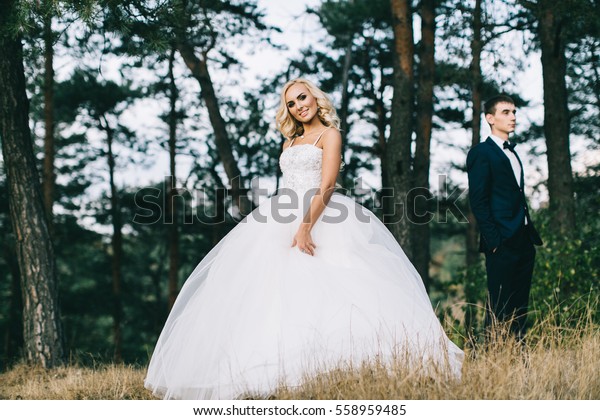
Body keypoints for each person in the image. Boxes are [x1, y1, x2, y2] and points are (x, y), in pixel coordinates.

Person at [144, 78, 463, 400]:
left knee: (338, 283)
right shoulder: (290, 143)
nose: (299, 106)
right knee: (271, 289)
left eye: (302, 98)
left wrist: (305, 226)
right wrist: (289, 222)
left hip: (320, 214)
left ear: (315, 97)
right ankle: (269, 365)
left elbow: (327, 185)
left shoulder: (330, 135)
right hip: (281, 212)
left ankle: (344, 364)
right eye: (292, 104)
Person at [466, 94, 543, 340]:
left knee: (520, 308)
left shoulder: (513, 153)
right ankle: (494, 360)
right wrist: (494, 241)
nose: (513, 117)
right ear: (490, 118)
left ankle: (518, 362)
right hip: (501, 241)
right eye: (506, 112)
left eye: (514, 112)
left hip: (523, 240)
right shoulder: (481, 153)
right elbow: (478, 201)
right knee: (499, 307)